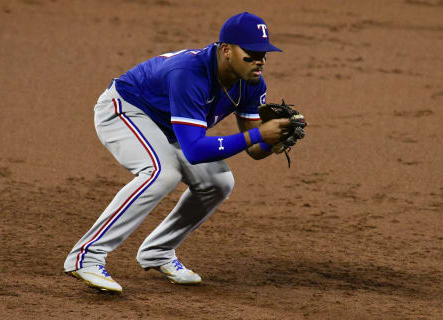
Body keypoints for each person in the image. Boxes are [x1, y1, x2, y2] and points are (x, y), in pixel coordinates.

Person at [64, 12, 296, 293]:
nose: (260, 61)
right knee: (161, 173)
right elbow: (196, 150)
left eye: (264, 54)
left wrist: (273, 140)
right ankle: (86, 257)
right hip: (126, 110)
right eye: (251, 53)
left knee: (218, 182)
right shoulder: (190, 74)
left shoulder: (252, 82)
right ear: (226, 50)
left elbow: (254, 149)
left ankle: (158, 251)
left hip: (170, 127)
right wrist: (259, 133)